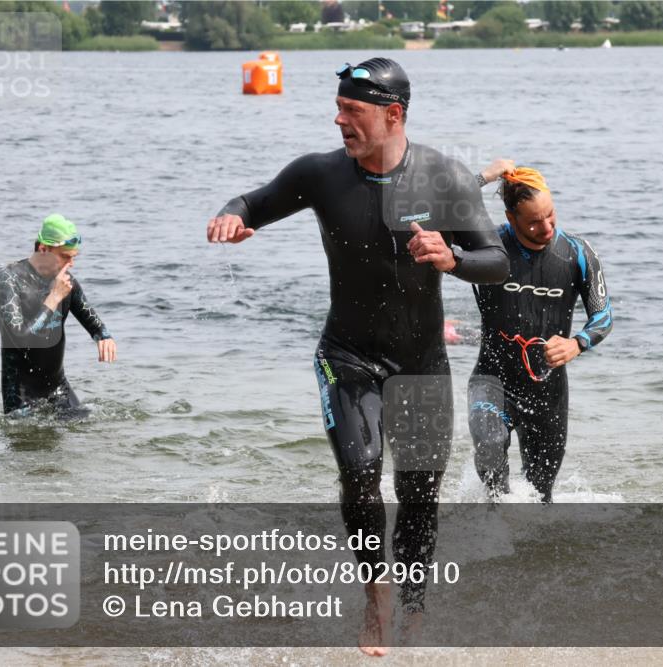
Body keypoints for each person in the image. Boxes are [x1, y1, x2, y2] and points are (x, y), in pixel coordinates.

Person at [206, 58, 509, 655]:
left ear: (393, 115)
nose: (338, 118)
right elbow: (254, 200)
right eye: (339, 107)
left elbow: (495, 263)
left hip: (421, 361)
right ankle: (377, 600)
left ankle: (415, 607)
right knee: (360, 471)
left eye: (353, 110)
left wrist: (452, 260)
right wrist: (232, 217)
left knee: (420, 493)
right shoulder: (320, 174)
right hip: (346, 354)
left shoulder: (443, 178)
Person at [468, 164, 613, 503]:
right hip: (492, 382)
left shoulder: (578, 254)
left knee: (540, 496)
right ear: (510, 216)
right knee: (491, 464)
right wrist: (482, 178)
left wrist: (577, 343)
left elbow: (603, 317)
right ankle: (493, 539)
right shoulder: (489, 244)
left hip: (548, 394)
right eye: (534, 221)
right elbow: (439, 217)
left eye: (550, 215)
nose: (546, 226)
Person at [0, 214, 116, 418]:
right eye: (65, 256)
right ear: (43, 249)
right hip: (22, 397)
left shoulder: (66, 282)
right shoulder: (9, 279)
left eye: (73, 257)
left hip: (59, 389)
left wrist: (104, 337)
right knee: (32, 446)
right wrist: (54, 297)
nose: (71, 264)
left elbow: (94, 323)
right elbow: (19, 338)